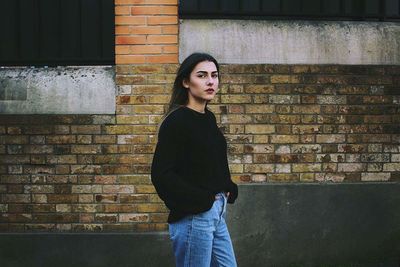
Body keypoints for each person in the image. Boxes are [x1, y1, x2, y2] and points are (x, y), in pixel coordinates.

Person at [151, 52, 238, 267]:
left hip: (216, 213)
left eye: (214, 75)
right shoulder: (177, 121)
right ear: (185, 82)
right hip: (194, 217)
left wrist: (227, 186)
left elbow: (209, 162)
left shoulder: (208, 118)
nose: (210, 81)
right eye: (202, 75)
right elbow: (161, 175)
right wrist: (201, 200)